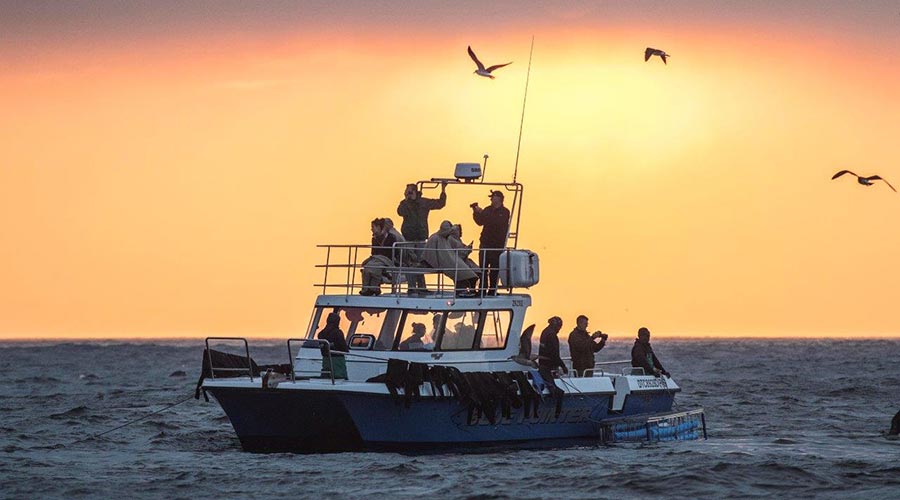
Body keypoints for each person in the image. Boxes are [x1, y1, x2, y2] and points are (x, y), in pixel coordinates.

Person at [397, 182, 447, 293]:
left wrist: (443, 190)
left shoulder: (424, 202)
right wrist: (407, 200)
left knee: (420, 263)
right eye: (406, 192)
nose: (407, 194)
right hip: (408, 239)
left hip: (420, 238)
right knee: (409, 263)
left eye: (409, 192)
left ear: (415, 192)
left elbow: (440, 204)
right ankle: (411, 288)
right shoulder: (404, 204)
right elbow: (400, 212)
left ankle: (421, 287)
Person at [421, 220, 479, 296]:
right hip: (445, 263)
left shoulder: (447, 238)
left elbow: (459, 249)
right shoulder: (435, 238)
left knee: (472, 274)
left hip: (452, 261)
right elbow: (430, 256)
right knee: (462, 272)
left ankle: (468, 291)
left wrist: (467, 249)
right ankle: (461, 291)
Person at [471, 190, 510, 295]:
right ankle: (482, 290)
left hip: (497, 246)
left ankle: (492, 290)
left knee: (494, 269)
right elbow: (480, 222)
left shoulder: (505, 212)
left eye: (493, 197)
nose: (491, 199)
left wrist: (482, 212)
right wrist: (475, 212)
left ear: (499, 198)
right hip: (485, 244)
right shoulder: (487, 210)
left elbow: (496, 222)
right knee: (483, 268)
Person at [360, 218, 398, 296]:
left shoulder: (391, 238)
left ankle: (373, 288)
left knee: (371, 268)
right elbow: (373, 252)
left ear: (379, 227)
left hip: (386, 260)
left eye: (373, 227)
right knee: (366, 268)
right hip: (376, 258)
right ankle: (369, 288)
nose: (371, 229)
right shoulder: (374, 239)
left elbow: (394, 253)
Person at [317, 312, 349, 379]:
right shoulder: (338, 333)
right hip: (337, 360)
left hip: (325, 360)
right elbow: (344, 349)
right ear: (337, 322)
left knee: (326, 377)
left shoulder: (321, 334)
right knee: (340, 378)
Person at [538, 316, 567, 381]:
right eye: (559, 326)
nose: (559, 329)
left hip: (542, 364)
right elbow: (554, 354)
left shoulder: (544, 332)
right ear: (555, 326)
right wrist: (563, 366)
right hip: (550, 366)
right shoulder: (552, 336)